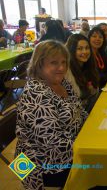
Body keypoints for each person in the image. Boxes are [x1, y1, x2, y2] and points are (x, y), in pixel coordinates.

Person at [15, 40, 88, 189]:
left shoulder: (61, 83)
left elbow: (80, 111)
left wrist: (93, 127)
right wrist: (88, 146)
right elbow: (55, 145)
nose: (61, 68)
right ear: (38, 64)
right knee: (99, 166)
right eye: (54, 63)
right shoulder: (36, 95)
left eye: (64, 62)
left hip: (66, 150)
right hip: (41, 165)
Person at [65, 34, 100, 113]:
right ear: (72, 50)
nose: (85, 52)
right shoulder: (68, 71)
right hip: (80, 118)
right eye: (79, 49)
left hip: (93, 111)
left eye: (87, 48)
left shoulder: (89, 66)